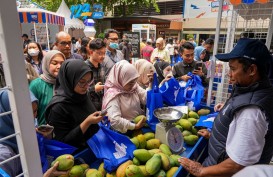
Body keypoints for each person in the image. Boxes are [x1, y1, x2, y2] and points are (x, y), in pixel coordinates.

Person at [178, 38, 273, 177]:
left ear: (252, 70)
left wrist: (201, 171)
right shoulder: (251, 91)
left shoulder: (251, 112)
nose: (229, 74)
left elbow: (237, 164)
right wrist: (215, 137)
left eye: (233, 69)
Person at [45, 59, 103, 149]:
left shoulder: (82, 94)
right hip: (75, 156)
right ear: (70, 80)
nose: (87, 86)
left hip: (94, 146)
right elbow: (62, 142)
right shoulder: (58, 107)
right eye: (82, 82)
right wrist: (87, 122)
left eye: (89, 81)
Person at [102, 60, 148, 133]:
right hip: (123, 131)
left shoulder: (134, 87)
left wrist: (153, 87)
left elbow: (146, 97)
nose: (133, 84)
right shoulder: (113, 94)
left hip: (138, 125)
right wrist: (134, 126)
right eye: (130, 82)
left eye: (134, 81)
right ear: (120, 79)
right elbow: (115, 120)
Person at [29, 50, 65, 125]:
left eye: (62, 63)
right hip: (43, 132)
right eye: (54, 63)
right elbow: (30, 113)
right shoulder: (36, 84)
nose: (59, 66)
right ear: (46, 64)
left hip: (65, 131)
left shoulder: (66, 83)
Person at [86, 38, 106, 110]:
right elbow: (79, 91)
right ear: (91, 52)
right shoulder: (84, 68)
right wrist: (93, 89)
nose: (103, 56)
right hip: (89, 106)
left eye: (104, 53)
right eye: (100, 53)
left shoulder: (102, 66)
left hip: (102, 105)